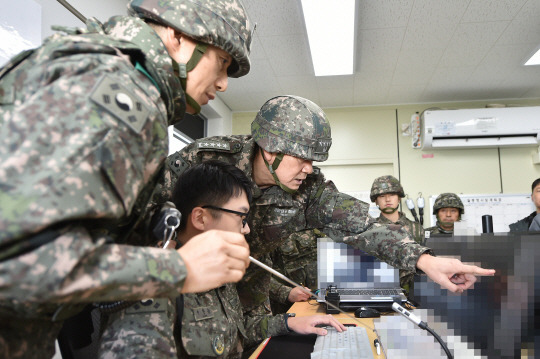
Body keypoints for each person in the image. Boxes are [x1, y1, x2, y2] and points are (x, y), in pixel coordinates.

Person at [0, 0, 254, 357]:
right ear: (178, 36)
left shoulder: (97, 70)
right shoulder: (122, 97)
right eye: (222, 62)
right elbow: (17, 258)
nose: (224, 83)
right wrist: (178, 268)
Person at [154, 95, 494, 349]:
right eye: (303, 159)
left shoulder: (310, 189)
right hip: (181, 293)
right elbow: (144, 218)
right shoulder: (202, 161)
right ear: (271, 151)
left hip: (249, 306)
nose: (309, 169)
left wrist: (426, 260)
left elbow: (360, 226)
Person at [99, 160, 345, 358]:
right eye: (241, 217)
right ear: (201, 218)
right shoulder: (155, 291)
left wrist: (290, 323)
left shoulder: (215, 273)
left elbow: (233, 336)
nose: (246, 230)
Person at [370, 175, 425, 296]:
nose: (387, 200)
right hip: (380, 291)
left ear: (399, 198)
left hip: (414, 293)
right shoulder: (370, 230)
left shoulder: (416, 229)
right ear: (376, 200)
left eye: (392, 195)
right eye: (382, 196)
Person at [269, 229, 322, 314]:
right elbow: (254, 273)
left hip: (321, 299)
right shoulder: (262, 223)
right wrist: (286, 293)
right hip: (285, 305)